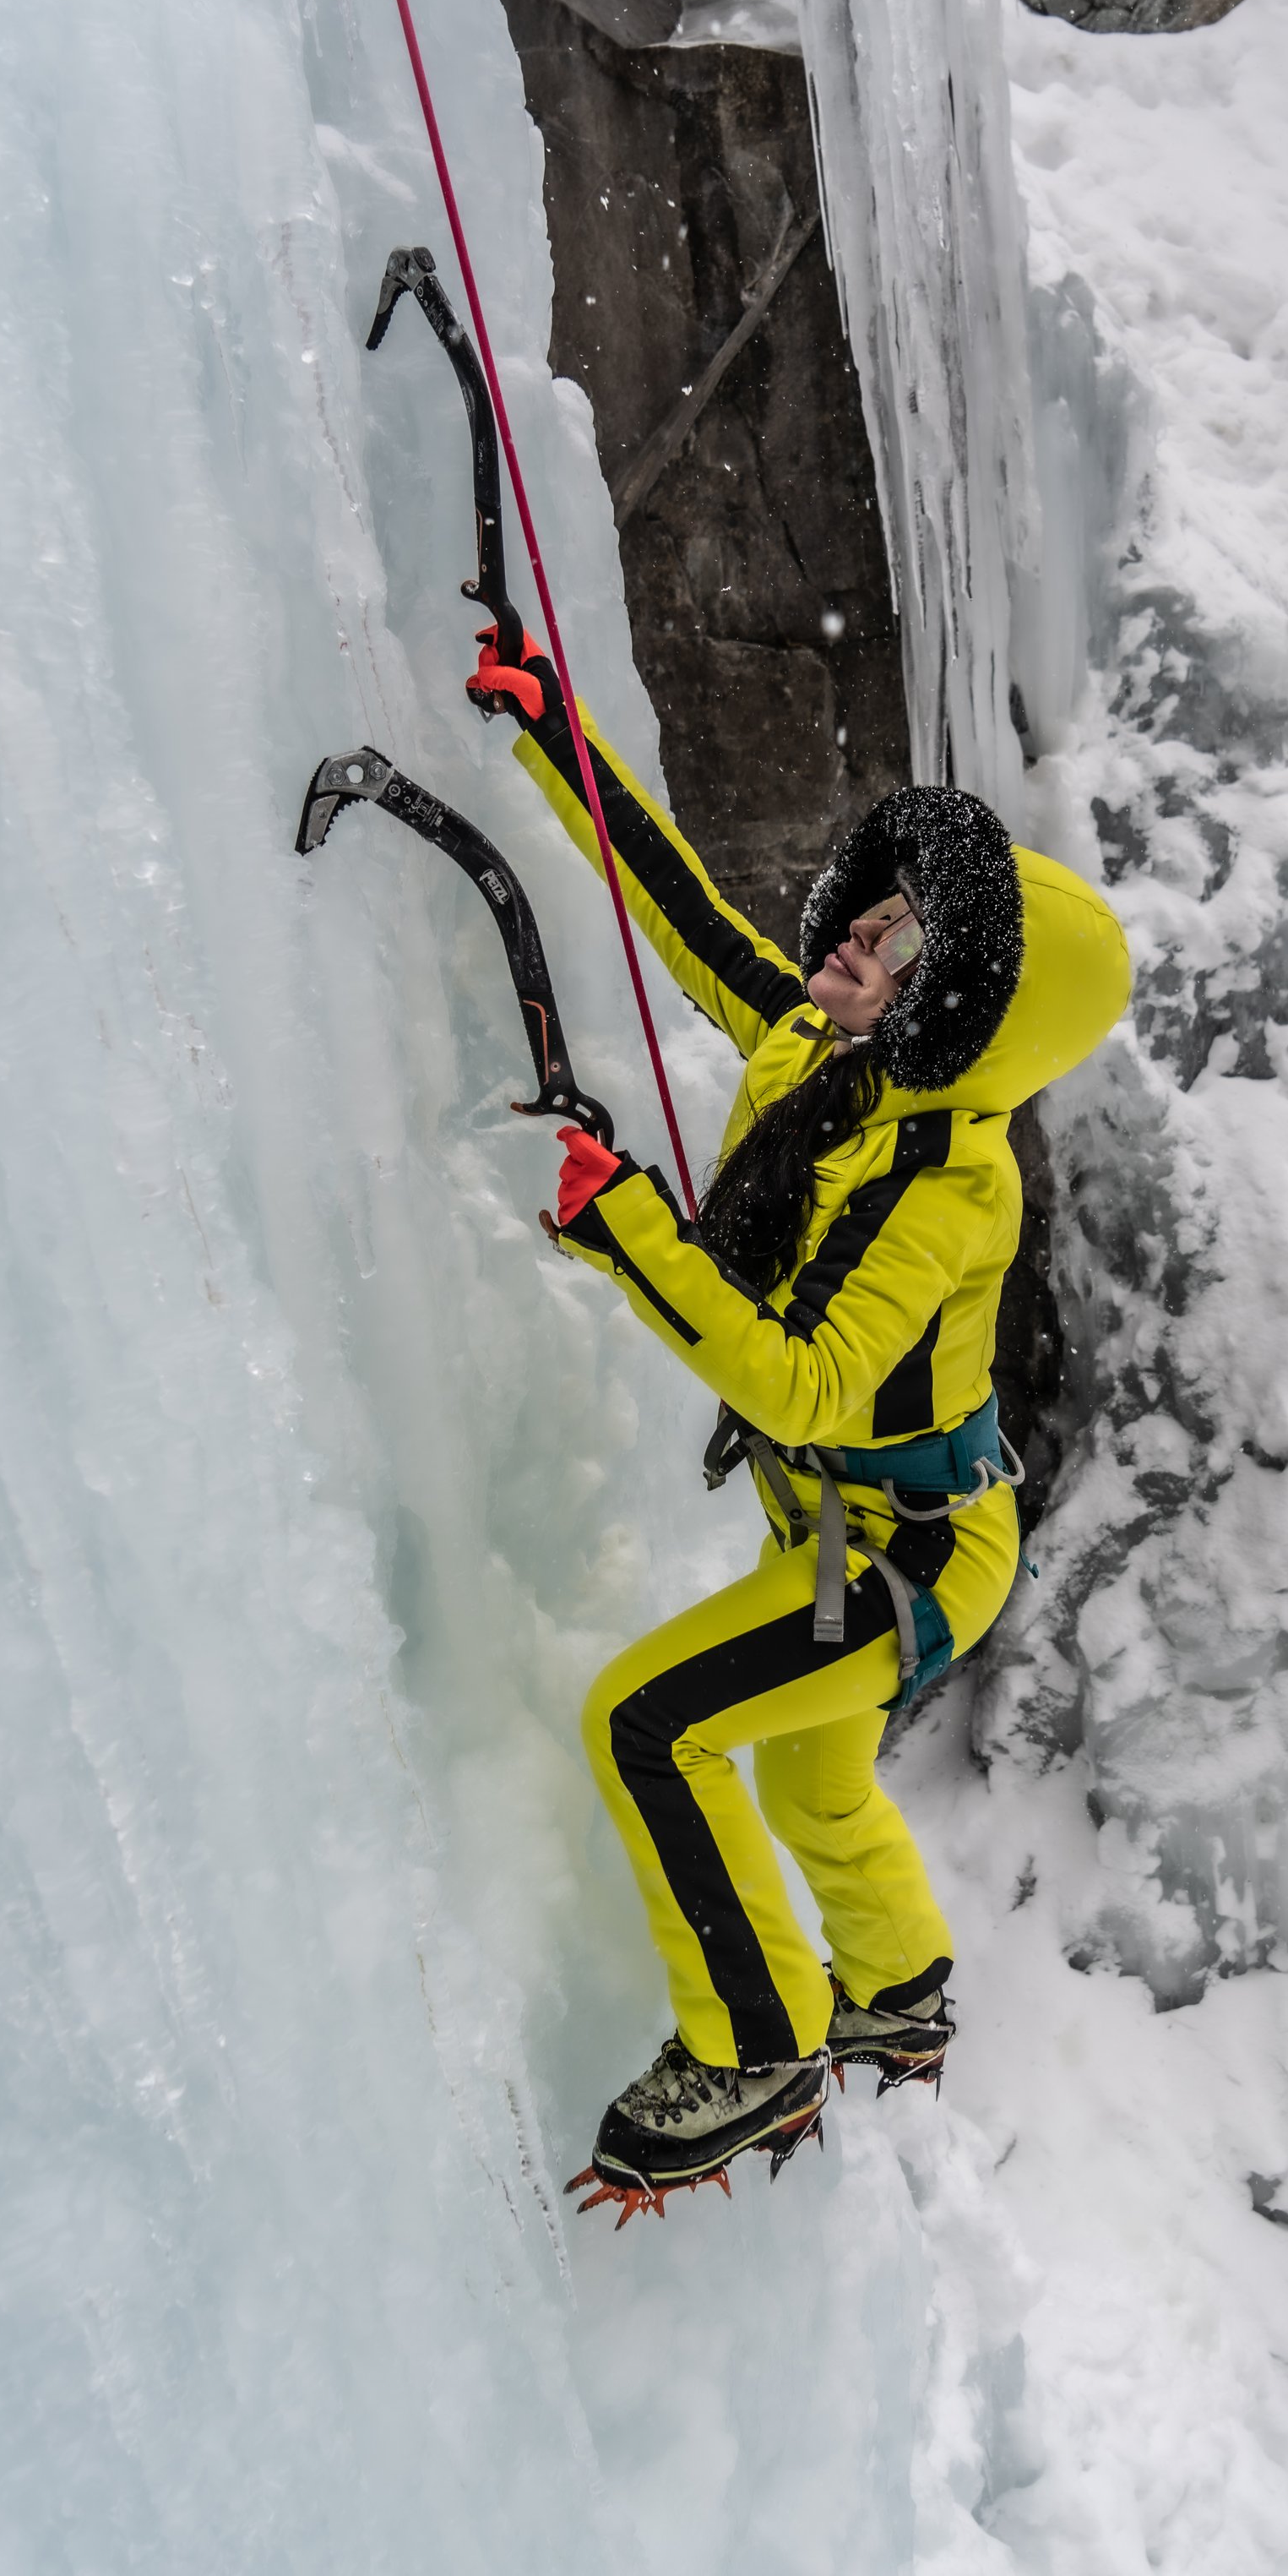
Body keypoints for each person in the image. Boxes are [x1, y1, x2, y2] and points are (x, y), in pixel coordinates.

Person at [468, 627, 1131, 2217]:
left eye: (905, 945)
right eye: (875, 917)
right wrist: (553, 729)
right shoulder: (822, 1054)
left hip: (908, 1555)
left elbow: (810, 1383)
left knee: (649, 1724)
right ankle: (899, 1998)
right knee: (813, 1788)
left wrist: (631, 1226)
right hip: (837, 1527)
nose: (859, 943)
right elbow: (682, 904)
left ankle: (758, 2041)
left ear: (960, 1005)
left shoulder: (955, 1183)